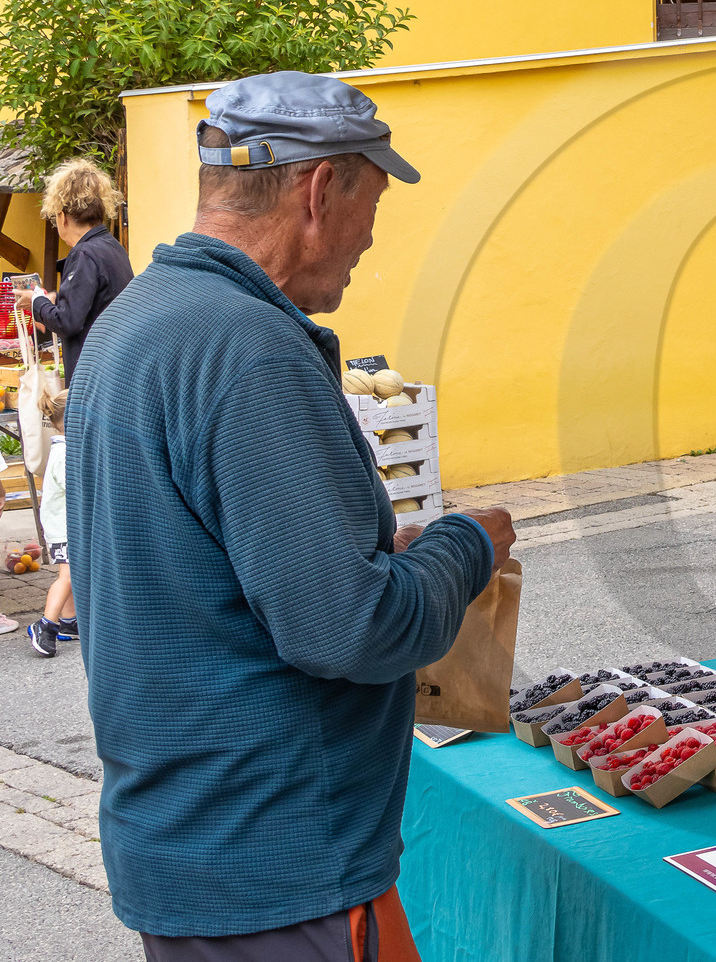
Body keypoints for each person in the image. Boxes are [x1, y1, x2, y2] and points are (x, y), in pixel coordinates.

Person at [69, 70, 516, 960]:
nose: (370, 239)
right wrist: (468, 543)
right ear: (318, 190)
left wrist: (367, 553)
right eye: (372, 206)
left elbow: (206, 564)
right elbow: (353, 630)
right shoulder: (250, 350)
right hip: (281, 868)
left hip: (186, 850)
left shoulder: (133, 321)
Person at [14, 158, 134, 385]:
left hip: (92, 377)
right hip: (115, 369)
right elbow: (95, 303)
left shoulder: (84, 254)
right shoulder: (112, 247)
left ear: (62, 216)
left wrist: (36, 301)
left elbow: (67, 322)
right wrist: (55, 300)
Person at [27, 389, 74, 656]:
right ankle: (45, 625)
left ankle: (68, 621)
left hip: (64, 527)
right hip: (64, 529)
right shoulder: (65, 454)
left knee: (72, 576)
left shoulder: (62, 450)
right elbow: (76, 488)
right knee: (67, 577)